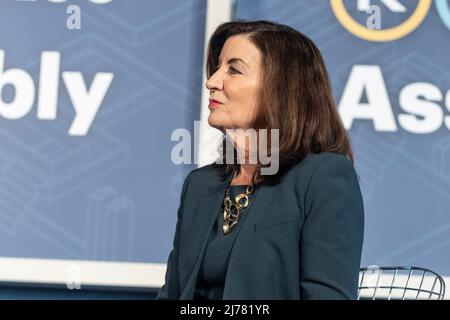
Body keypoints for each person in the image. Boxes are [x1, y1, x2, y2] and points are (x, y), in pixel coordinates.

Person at [156, 20, 364, 300]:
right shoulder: (199, 184)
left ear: (279, 88)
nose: (212, 81)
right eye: (217, 67)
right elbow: (173, 294)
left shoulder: (322, 176)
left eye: (234, 69)